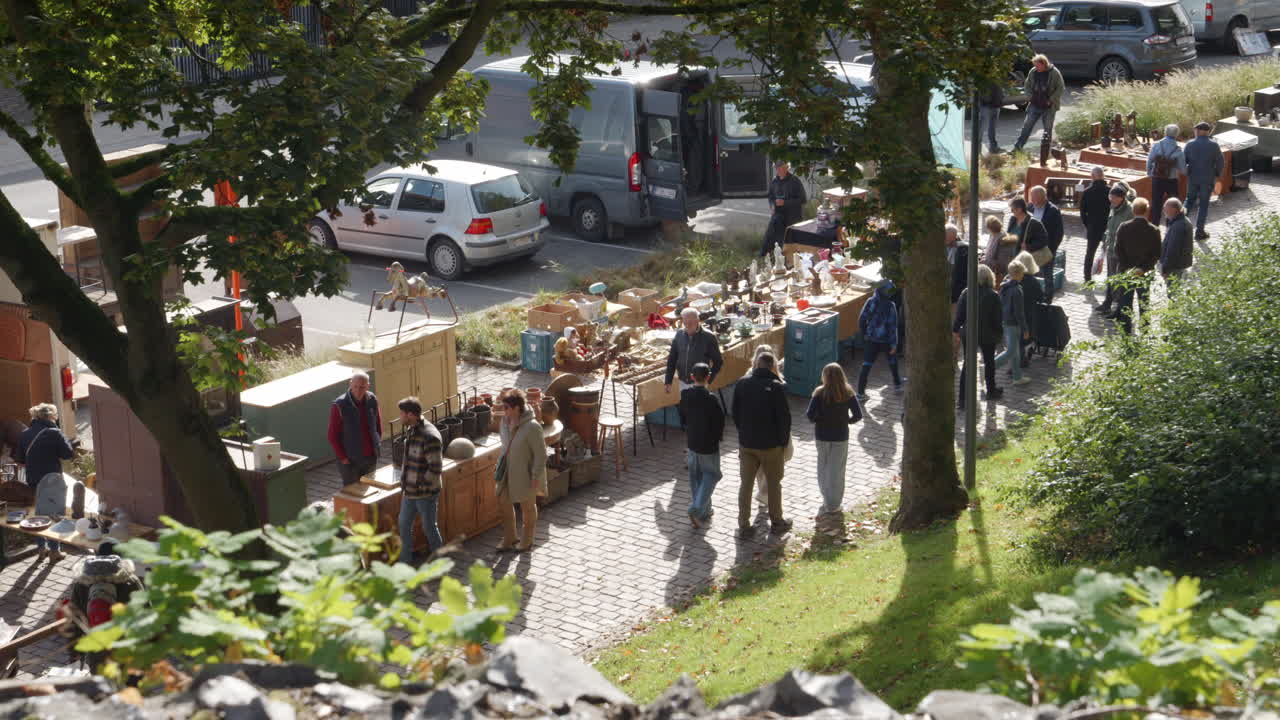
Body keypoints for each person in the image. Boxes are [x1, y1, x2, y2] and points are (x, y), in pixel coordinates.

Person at [732, 352, 791, 538]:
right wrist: (782, 442)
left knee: (746, 484)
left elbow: (735, 412)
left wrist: (743, 433)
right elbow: (784, 419)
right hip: (770, 445)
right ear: (773, 366)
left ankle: (743, 525)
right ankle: (777, 521)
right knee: (774, 484)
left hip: (747, 443)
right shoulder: (776, 387)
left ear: (756, 365)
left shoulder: (742, 384)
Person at [16, 403, 74, 561]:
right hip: (52, 480)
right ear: (50, 416)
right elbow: (68, 454)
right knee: (54, 513)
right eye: (55, 415)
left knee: (38, 513)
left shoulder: (25, 434)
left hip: (33, 479)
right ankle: (54, 551)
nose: (56, 418)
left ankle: (41, 549)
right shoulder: (55, 432)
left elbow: (20, 461)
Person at [806, 363, 862, 516]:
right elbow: (858, 415)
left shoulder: (819, 392)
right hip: (840, 435)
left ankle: (826, 499)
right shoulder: (848, 392)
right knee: (837, 470)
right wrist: (847, 421)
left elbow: (810, 415)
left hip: (822, 436)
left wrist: (820, 420)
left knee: (823, 467)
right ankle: (834, 504)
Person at [495, 390, 545, 552]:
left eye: (507, 407)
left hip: (525, 473)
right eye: (504, 406)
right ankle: (510, 537)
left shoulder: (532, 427)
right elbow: (504, 445)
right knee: (503, 501)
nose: (505, 410)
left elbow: (540, 454)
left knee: (527, 506)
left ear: (517, 408)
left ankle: (527, 539)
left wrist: (536, 476)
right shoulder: (504, 422)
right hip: (506, 471)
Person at [396, 397, 444, 566]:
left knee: (429, 528)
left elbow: (436, 468)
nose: (400, 416)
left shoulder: (429, 436)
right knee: (403, 525)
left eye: (402, 413)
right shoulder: (412, 429)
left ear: (411, 414)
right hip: (409, 492)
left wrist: (421, 484)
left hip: (425, 494)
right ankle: (405, 561)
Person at [954, 265, 1005, 409]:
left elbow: (959, 316)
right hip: (988, 334)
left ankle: (962, 399)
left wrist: (956, 330)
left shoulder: (966, 292)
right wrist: (998, 333)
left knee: (967, 364)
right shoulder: (993, 295)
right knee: (989, 362)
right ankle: (991, 390)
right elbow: (997, 318)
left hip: (969, 333)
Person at [679, 363, 724, 527]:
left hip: (692, 442)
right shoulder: (711, 399)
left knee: (696, 478)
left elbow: (682, 417)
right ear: (708, 377)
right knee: (712, 475)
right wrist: (718, 438)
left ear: (692, 377)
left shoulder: (685, 395)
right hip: (708, 445)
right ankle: (697, 508)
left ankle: (704, 511)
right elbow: (719, 422)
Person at [1113, 198, 1162, 334]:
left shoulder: (1123, 227)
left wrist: (1128, 268)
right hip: (1144, 273)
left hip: (1126, 272)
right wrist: (1143, 268)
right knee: (1144, 302)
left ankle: (1125, 331)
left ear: (1133, 211)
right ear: (1147, 211)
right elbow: (1156, 254)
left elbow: (1118, 250)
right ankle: (1145, 330)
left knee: (1125, 303)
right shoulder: (1154, 230)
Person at [327, 371, 381, 486]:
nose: (358, 390)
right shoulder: (339, 405)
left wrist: (376, 445)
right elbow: (332, 436)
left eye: (362, 387)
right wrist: (343, 458)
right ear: (350, 384)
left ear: (368, 386)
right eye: (355, 386)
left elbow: (377, 425)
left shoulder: (372, 400)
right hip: (350, 460)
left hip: (370, 457)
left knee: (370, 489)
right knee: (352, 493)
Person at [855, 280, 903, 401]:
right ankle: (897, 385)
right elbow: (893, 327)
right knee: (893, 362)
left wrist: (865, 333)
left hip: (872, 340)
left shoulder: (870, 301)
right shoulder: (891, 305)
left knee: (866, 365)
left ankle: (860, 393)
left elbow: (861, 320)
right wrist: (894, 344)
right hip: (887, 341)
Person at [1011, 54, 1065, 154]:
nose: (1036, 67)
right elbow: (1027, 86)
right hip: (1034, 105)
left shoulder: (1054, 72)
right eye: (1035, 65)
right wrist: (1030, 97)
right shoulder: (1033, 71)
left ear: (1044, 64)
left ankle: (1046, 152)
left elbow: (1061, 88)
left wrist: (1051, 100)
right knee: (1026, 127)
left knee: (1047, 131)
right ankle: (1017, 148)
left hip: (1049, 107)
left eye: (1037, 65)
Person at [664, 307, 724, 394]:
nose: (687, 325)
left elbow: (718, 362)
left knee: (700, 407)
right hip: (683, 382)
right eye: (685, 323)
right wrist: (668, 381)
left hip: (700, 384)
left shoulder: (709, 337)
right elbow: (672, 358)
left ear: (697, 321)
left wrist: (708, 380)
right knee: (686, 406)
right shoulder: (679, 334)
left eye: (690, 323)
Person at [1096, 184, 1134, 316]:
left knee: (1120, 281)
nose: (1110, 199)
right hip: (1111, 249)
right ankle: (1107, 303)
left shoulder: (1129, 211)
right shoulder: (1113, 207)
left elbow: (1130, 232)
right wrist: (1105, 242)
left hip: (1122, 252)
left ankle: (1119, 310)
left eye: (1113, 197)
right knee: (1110, 278)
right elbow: (1109, 227)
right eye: (1110, 196)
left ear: (1121, 198)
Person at [1183, 121, 1224, 240]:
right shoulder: (1214, 145)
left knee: (1189, 200)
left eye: (1196, 130)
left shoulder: (1190, 144)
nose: (1194, 132)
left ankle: (1177, 225)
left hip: (1193, 178)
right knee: (1204, 204)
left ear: (1202, 131)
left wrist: (1187, 171)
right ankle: (1199, 232)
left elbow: (1183, 161)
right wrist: (1217, 174)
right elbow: (1220, 162)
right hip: (1207, 179)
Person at [995, 261, 1031, 387]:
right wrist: (1025, 329)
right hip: (1013, 324)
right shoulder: (1017, 290)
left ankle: (1017, 376)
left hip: (1005, 321)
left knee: (1015, 351)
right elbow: (1019, 313)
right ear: (1019, 273)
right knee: (1011, 351)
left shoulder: (1005, 285)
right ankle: (990, 367)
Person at [762, 160, 807, 256]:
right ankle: (766, 256)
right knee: (770, 236)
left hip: (792, 216)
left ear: (787, 168)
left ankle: (789, 258)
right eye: (777, 168)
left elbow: (802, 199)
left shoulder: (794, 181)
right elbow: (770, 197)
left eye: (781, 168)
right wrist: (772, 206)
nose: (778, 170)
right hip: (778, 214)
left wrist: (785, 202)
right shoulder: (774, 181)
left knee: (789, 239)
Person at [1027, 185, 1063, 301]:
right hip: (1030, 248)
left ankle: (1048, 299)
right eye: (1031, 197)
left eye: (1034, 197)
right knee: (1029, 274)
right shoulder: (1030, 208)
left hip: (1046, 249)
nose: (1032, 200)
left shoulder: (1053, 211)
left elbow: (1059, 233)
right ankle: (1032, 296)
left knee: (1047, 276)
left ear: (1042, 197)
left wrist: (1051, 249)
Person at [1147, 124, 1186, 222]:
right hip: (1171, 179)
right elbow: (1182, 169)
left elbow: (1150, 160)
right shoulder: (1178, 149)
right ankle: (1171, 226)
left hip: (1157, 178)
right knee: (1173, 205)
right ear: (1176, 134)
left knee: (1156, 204)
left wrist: (1149, 173)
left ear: (1165, 132)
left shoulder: (1157, 144)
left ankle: (1154, 226)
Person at [1079, 166, 1111, 283]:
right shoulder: (1110, 191)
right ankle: (1110, 277)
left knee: (1090, 253)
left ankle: (1087, 278)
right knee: (1110, 254)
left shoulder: (1087, 192)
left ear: (1092, 177)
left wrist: (1088, 224)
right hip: (1108, 227)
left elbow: (1082, 211)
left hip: (1093, 227)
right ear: (1103, 176)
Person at [1013, 250, 1045, 365]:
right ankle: (1021, 360)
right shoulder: (1033, 282)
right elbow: (1041, 298)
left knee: (1016, 339)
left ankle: (1020, 359)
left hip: (1012, 314)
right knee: (1023, 338)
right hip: (1028, 314)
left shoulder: (1012, 278)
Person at [1160, 197, 1194, 290]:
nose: (1163, 210)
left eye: (1165, 208)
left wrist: (1165, 269)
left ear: (1173, 209)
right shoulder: (1180, 221)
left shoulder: (1178, 226)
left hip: (1174, 266)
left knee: (1173, 292)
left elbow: (1172, 249)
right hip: (1178, 263)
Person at [982, 217, 1019, 287]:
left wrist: (987, 261)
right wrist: (984, 257)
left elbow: (1001, 260)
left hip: (999, 273)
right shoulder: (993, 235)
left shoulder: (1002, 238)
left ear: (990, 227)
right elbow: (989, 251)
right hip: (992, 269)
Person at [945, 224, 969, 306]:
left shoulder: (964, 249)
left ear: (953, 236)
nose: (944, 238)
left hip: (958, 288)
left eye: (946, 236)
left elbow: (963, 271)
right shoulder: (943, 247)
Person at [978, 81, 1005, 154]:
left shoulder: (996, 74)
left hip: (995, 104)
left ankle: (993, 148)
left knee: (991, 128)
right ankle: (978, 150)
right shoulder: (987, 75)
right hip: (988, 105)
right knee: (982, 128)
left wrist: (1001, 98)